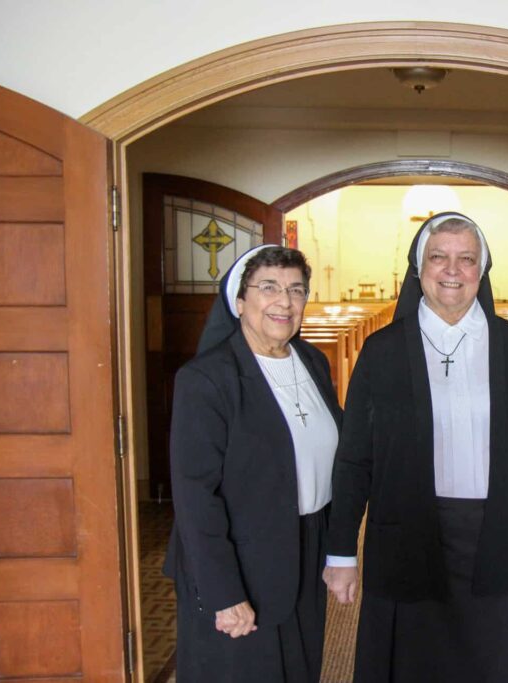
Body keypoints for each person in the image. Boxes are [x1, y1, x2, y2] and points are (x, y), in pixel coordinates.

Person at [323, 212, 508, 683]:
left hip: (503, 535)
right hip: (409, 537)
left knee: (499, 663)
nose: (453, 270)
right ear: (419, 269)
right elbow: (355, 458)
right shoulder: (382, 352)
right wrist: (341, 552)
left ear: (482, 271)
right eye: (439, 257)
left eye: (467, 259)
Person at [164, 245, 342, 682]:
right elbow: (194, 496)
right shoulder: (206, 379)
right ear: (239, 301)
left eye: (296, 289)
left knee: (300, 667)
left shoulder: (314, 362)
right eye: (269, 287)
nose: (285, 301)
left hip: (305, 545)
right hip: (237, 558)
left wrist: (338, 551)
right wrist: (223, 592)